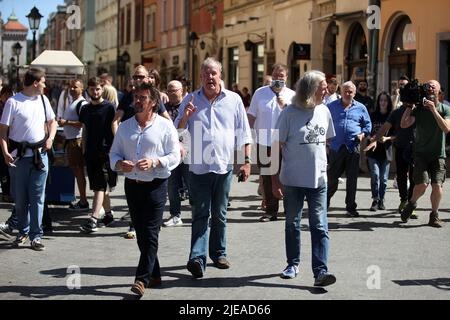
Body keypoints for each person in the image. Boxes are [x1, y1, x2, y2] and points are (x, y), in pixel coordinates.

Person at [175, 57, 252, 278]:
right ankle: (197, 258)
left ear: (221, 76)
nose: (210, 77)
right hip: (198, 167)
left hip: (224, 166)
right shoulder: (190, 100)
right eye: (206, 73)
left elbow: (243, 132)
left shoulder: (234, 100)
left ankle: (218, 253)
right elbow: (177, 134)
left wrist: (246, 162)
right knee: (200, 213)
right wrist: (185, 118)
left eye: (214, 73)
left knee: (220, 213)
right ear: (200, 77)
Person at [110, 82, 180, 297]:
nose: (137, 101)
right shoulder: (125, 126)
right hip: (132, 185)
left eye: (142, 98)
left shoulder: (165, 126)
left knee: (150, 232)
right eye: (136, 97)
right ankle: (156, 274)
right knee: (142, 234)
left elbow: (175, 156)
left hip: (156, 186)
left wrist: (156, 162)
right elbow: (113, 155)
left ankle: (141, 279)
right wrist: (120, 164)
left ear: (153, 102)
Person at [271, 70, 336, 287]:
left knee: (319, 225)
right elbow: (275, 146)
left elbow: (326, 142)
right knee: (292, 224)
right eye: (323, 86)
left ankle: (321, 272)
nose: (327, 89)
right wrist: (274, 179)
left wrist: (324, 168)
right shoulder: (289, 113)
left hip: (318, 181)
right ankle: (292, 264)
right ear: (310, 89)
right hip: (292, 181)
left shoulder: (324, 110)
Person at [0, 68, 57, 251]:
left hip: (40, 156)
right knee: (21, 198)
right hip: (19, 157)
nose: (45, 85)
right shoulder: (13, 102)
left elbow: (52, 122)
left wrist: (50, 138)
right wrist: (5, 152)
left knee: (38, 197)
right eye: (43, 81)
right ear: (35, 83)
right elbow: (3, 131)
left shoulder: (43, 99)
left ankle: (36, 235)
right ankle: (22, 232)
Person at [247, 63, 296, 222]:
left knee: (287, 176)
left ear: (286, 78)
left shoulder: (293, 95)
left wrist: (286, 106)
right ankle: (270, 210)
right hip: (264, 141)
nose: (277, 78)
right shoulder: (259, 93)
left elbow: (297, 119)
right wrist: (246, 137)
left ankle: (290, 209)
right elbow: (251, 116)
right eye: (275, 75)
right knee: (267, 177)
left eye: (281, 76)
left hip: (286, 143)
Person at [400, 80, 450, 228]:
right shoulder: (419, 109)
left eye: (434, 86)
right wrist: (409, 106)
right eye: (428, 86)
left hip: (438, 154)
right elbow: (404, 124)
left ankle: (434, 215)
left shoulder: (445, 109)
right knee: (422, 184)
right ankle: (412, 203)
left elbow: (446, 128)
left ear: (439, 92)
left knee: (437, 185)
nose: (430, 87)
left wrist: (434, 110)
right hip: (421, 153)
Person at [327, 81, 372, 217]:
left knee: (352, 179)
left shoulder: (361, 107)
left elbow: (368, 126)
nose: (348, 94)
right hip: (336, 147)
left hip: (353, 147)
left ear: (354, 92)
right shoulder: (331, 106)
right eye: (345, 91)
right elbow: (323, 122)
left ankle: (351, 207)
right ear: (340, 92)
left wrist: (362, 134)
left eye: (350, 91)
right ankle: (324, 203)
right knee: (332, 178)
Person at [79, 77, 117, 233]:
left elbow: (114, 128)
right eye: (92, 89)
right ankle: (108, 215)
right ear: (88, 90)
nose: (95, 92)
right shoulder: (85, 109)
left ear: (103, 90)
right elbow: (85, 129)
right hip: (90, 152)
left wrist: (117, 149)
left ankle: (93, 219)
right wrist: (83, 149)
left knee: (99, 186)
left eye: (98, 89)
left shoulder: (109, 108)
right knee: (97, 186)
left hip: (105, 152)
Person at [56, 79, 89, 211]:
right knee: (76, 170)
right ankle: (82, 199)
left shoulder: (82, 103)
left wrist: (66, 122)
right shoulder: (73, 102)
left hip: (77, 140)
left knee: (78, 170)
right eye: (71, 87)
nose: (72, 89)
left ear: (82, 89)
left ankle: (83, 201)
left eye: (75, 87)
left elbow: (82, 123)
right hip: (71, 140)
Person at [163, 80, 190, 227]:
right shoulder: (163, 109)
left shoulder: (189, 107)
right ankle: (175, 215)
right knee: (172, 185)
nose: (172, 93)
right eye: (169, 90)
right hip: (170, 152)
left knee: (192, 183)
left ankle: (198, 212)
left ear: (182, 91)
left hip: (187, 151)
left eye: (175, 90)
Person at [363, 92, 394, 211]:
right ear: (378, 102)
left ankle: (382, 199)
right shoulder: (373, 115)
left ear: (388, 102)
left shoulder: (392, 115)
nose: (383, 102)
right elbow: (367, 130)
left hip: (386, 151)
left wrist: (387, 138)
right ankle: (375, 199)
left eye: (385, 100)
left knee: (384, 179)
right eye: (381, 100)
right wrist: (370, 137)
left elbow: (396, 134)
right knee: (375, 175)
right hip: (373, 150)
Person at [0, 85, 14, 202]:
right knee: (4, 168)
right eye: (8, 94)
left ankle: (8, 192)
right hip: (3, 141)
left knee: (8, 167)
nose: (10, 96)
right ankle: (6, 192)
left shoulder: (9, 106)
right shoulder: (2, 107)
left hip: (9, 142)